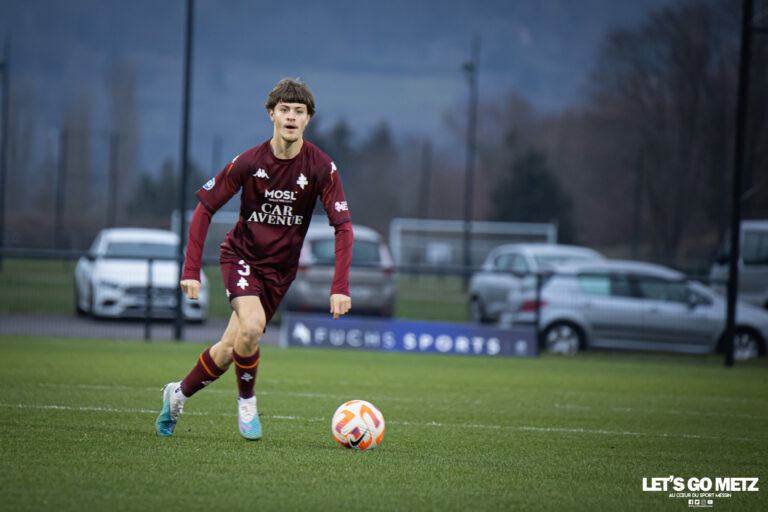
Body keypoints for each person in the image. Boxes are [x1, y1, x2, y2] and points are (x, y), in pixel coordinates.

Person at [155, 78, 353, 440]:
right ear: (271, 114)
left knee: (231, 349)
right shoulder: (250, 161)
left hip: (280, 272)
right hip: (241, 257)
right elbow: (204, 209)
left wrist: (340, 287)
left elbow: (343, 227)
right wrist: (191, 269)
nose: (291, 117)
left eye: (299, 111)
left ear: (308, 119)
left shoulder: (322, 167)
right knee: (251, 328)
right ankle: (247, 406)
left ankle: (177, 394)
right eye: (284, 110)